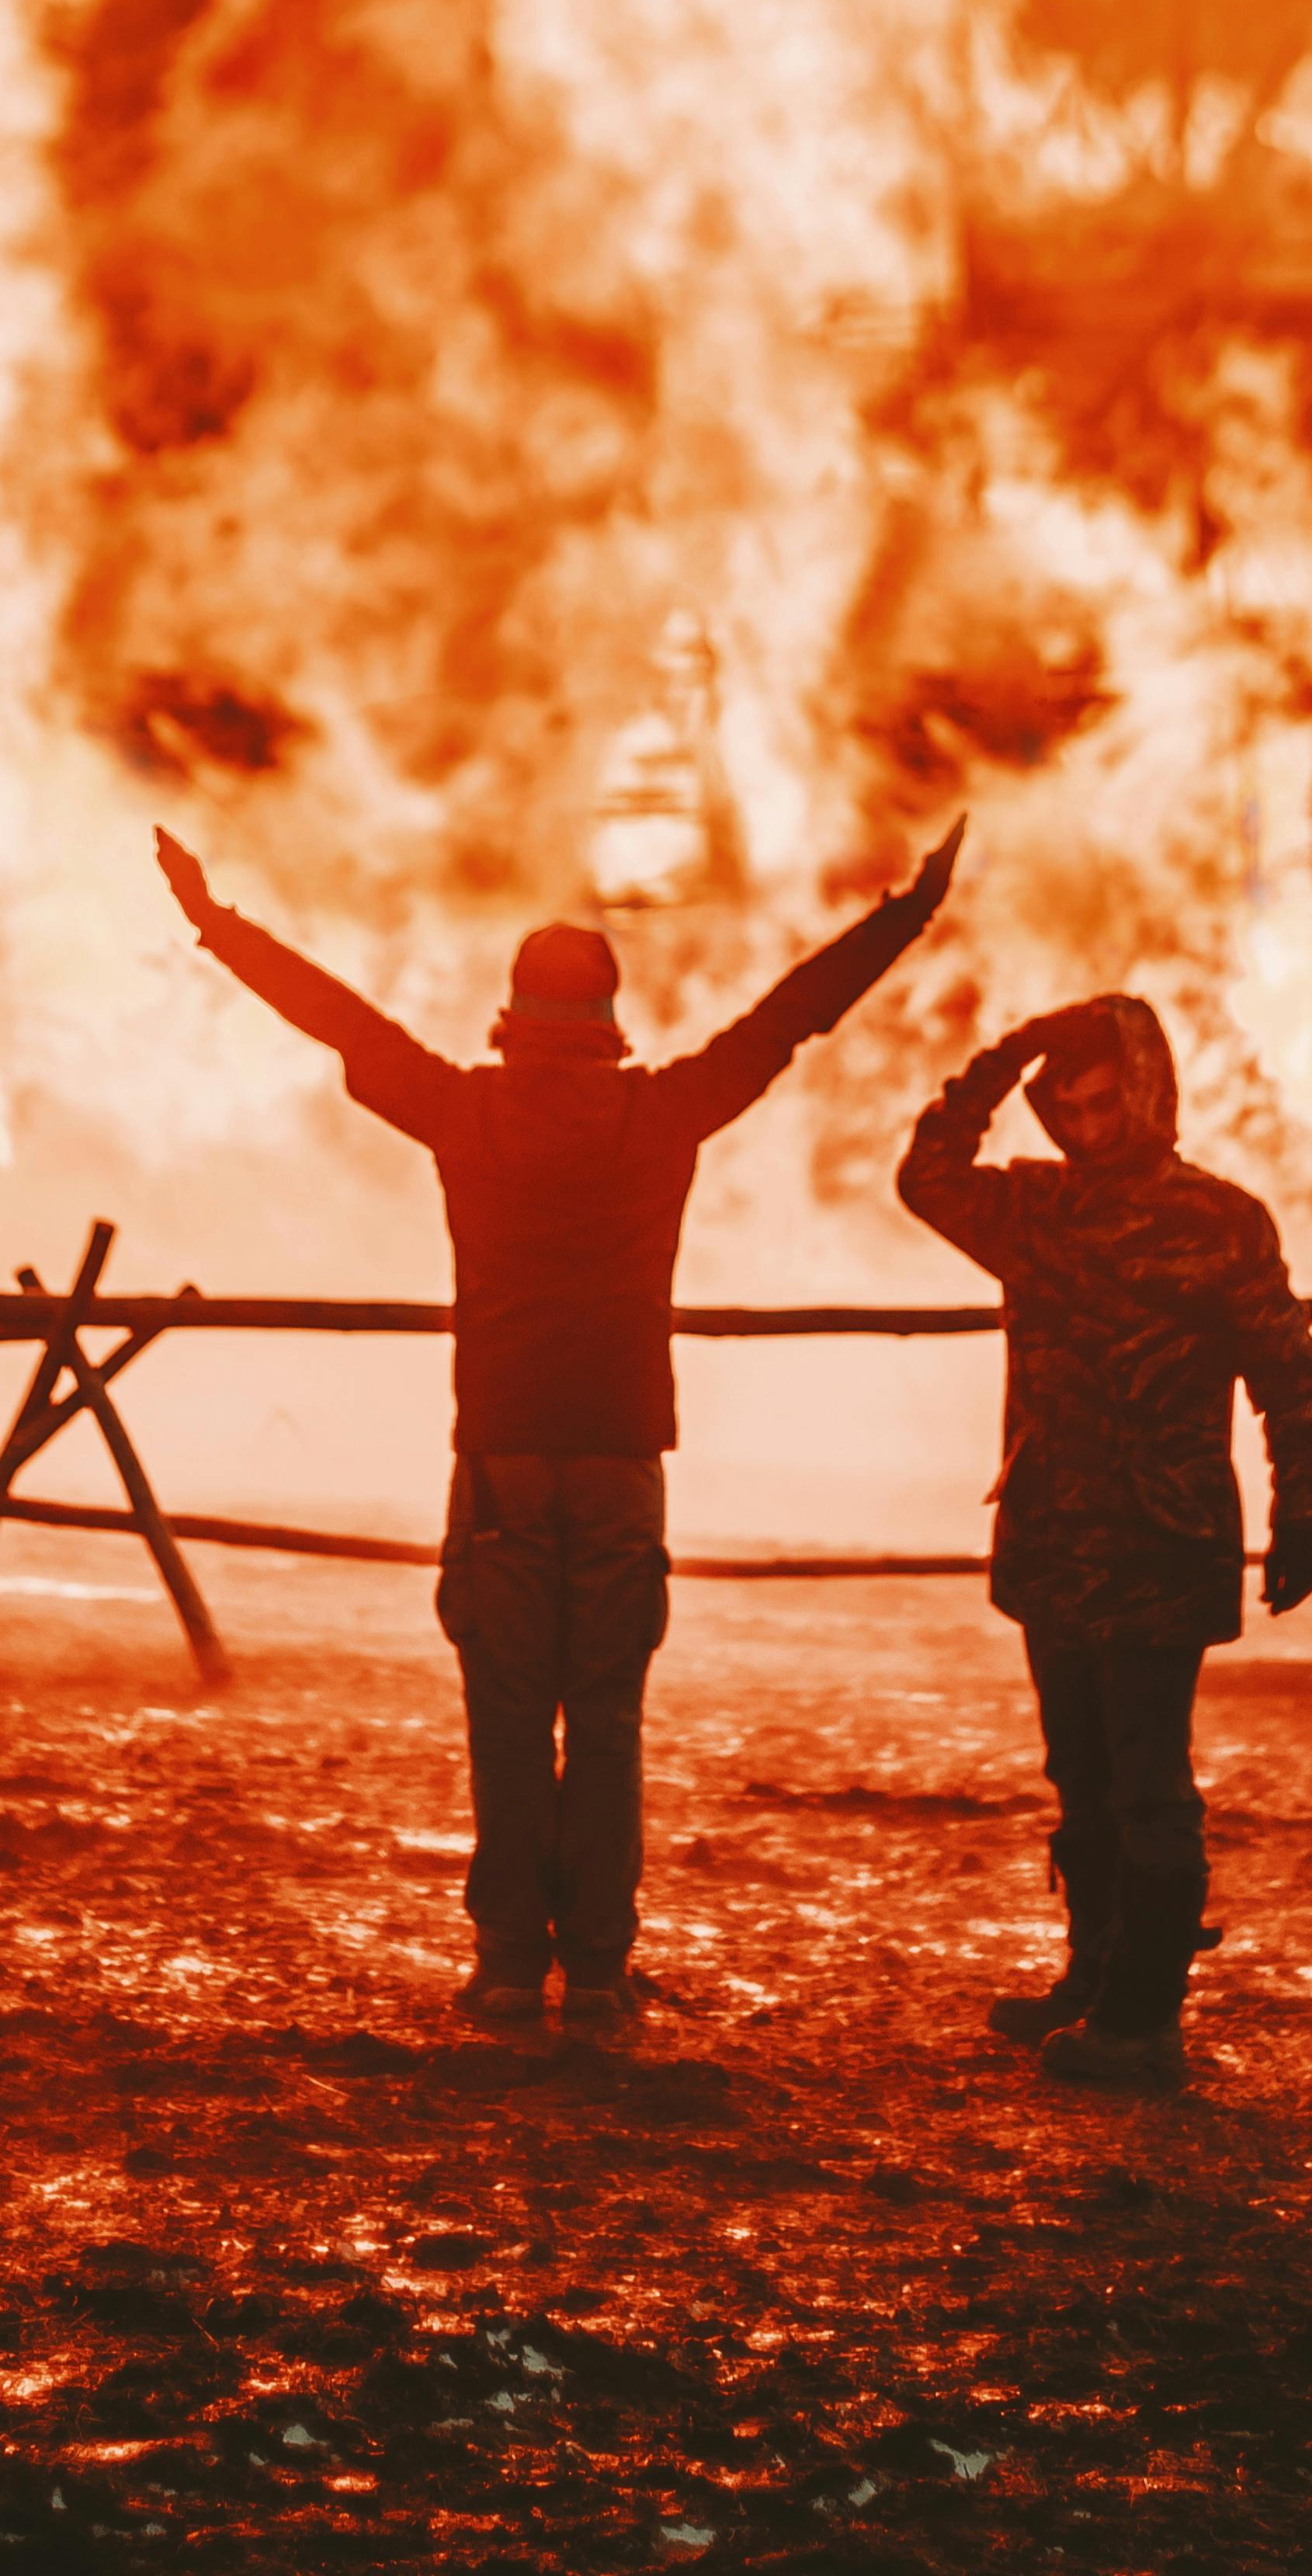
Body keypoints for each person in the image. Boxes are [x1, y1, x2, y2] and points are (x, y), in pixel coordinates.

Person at [156, 819, 964, 2032]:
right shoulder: (661, 1115)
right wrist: (907, 912)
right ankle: (593, 1972)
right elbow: (790, 1016)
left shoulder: (464, 1114)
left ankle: (500, 1968)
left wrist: (213, 921)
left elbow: (339, 1021)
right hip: (623, 1459)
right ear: (609, 1020)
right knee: (607, 1721)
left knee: (503, 1718)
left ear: (512, 1015)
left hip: (498, 1460)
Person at [896, 994, 1312, 2097]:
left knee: (1146, 1783)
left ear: (1146, 1092)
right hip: (1052, 1540)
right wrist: (1006, 1052)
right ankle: (1090, 1984)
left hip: (1160, 1546)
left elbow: (1287, 1373)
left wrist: (1297, 1513)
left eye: (1104, 1101)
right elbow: (925, 1174)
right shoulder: (1033, 1209)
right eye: (1068, 1107)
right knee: (1081, 1780)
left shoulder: (1220, 1222)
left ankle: (1142, 2024)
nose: (1088, 1124)